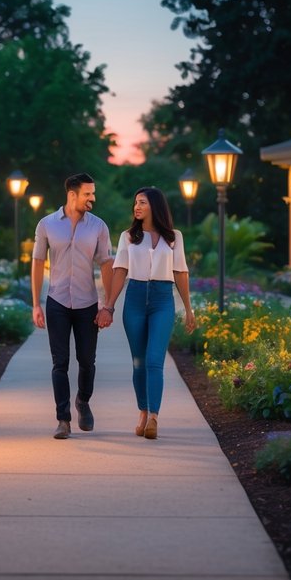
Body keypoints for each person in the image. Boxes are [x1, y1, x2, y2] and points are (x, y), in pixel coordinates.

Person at [102, 186, 196, 440]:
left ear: (155, 205)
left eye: (142, 202)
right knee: (138, 362)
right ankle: (142, 411)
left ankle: (154, 416)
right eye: (135, 203)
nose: (137, 207)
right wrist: (109, 306)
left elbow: (181, 272)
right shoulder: (128, 237)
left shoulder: (173, 237)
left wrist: (188, 309)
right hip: (134, 300)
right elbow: (120, 270)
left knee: (155, 360)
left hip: (162, 301)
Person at [31, 173, 115, 440]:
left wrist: (108, 306)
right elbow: (36, 263)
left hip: (86, 303)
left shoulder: (99, 227)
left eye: (93, 193)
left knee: (87, 361)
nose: (93, 198)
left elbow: (106, 265)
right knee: (60, 363)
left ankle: (83, 401)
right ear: (72, 195)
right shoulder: (46, 225)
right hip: (56, 301)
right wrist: (36, 304)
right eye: (88, 194)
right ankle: (63, 419)